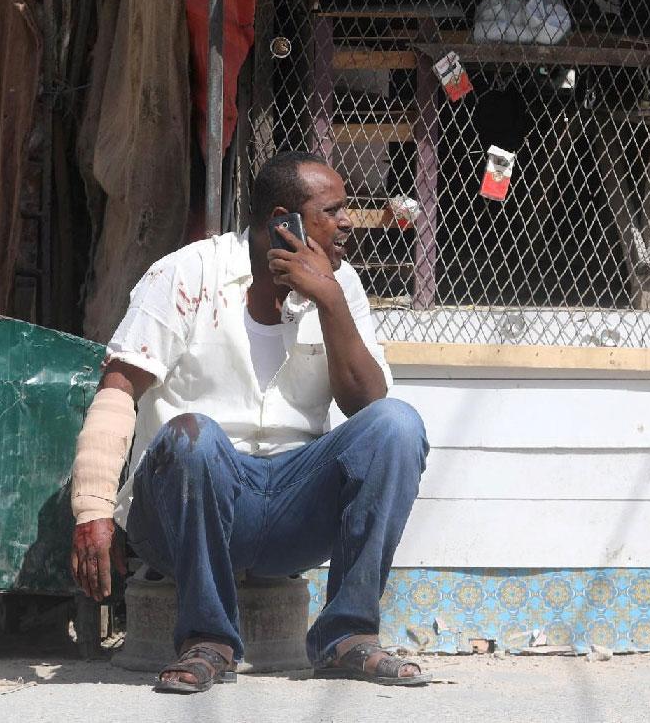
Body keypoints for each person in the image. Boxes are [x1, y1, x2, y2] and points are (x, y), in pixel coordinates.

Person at [69, 151, 431, 694]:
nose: (348, 221)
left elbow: (367, 403)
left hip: (289, 507)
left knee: (397, 424)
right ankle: (206, 641)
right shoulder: (187, 273)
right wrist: (92, 507)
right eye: (332, 211)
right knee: (197, 435)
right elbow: (119, 387)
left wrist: (330, 301)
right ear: (282, 221)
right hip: (184, 508)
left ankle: (347, 635)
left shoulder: (341, 283)